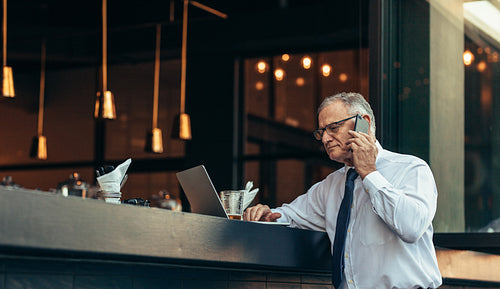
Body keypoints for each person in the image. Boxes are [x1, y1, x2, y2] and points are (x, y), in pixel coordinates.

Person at [243, 92, 442, 289]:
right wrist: (267, 215)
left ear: (363, 123)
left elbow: (412, 226)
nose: (325, 139)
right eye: (321, 132)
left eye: (333, 128)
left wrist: (370, 174)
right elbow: (291, 215)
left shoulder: (411, 168)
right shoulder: (331, 185)